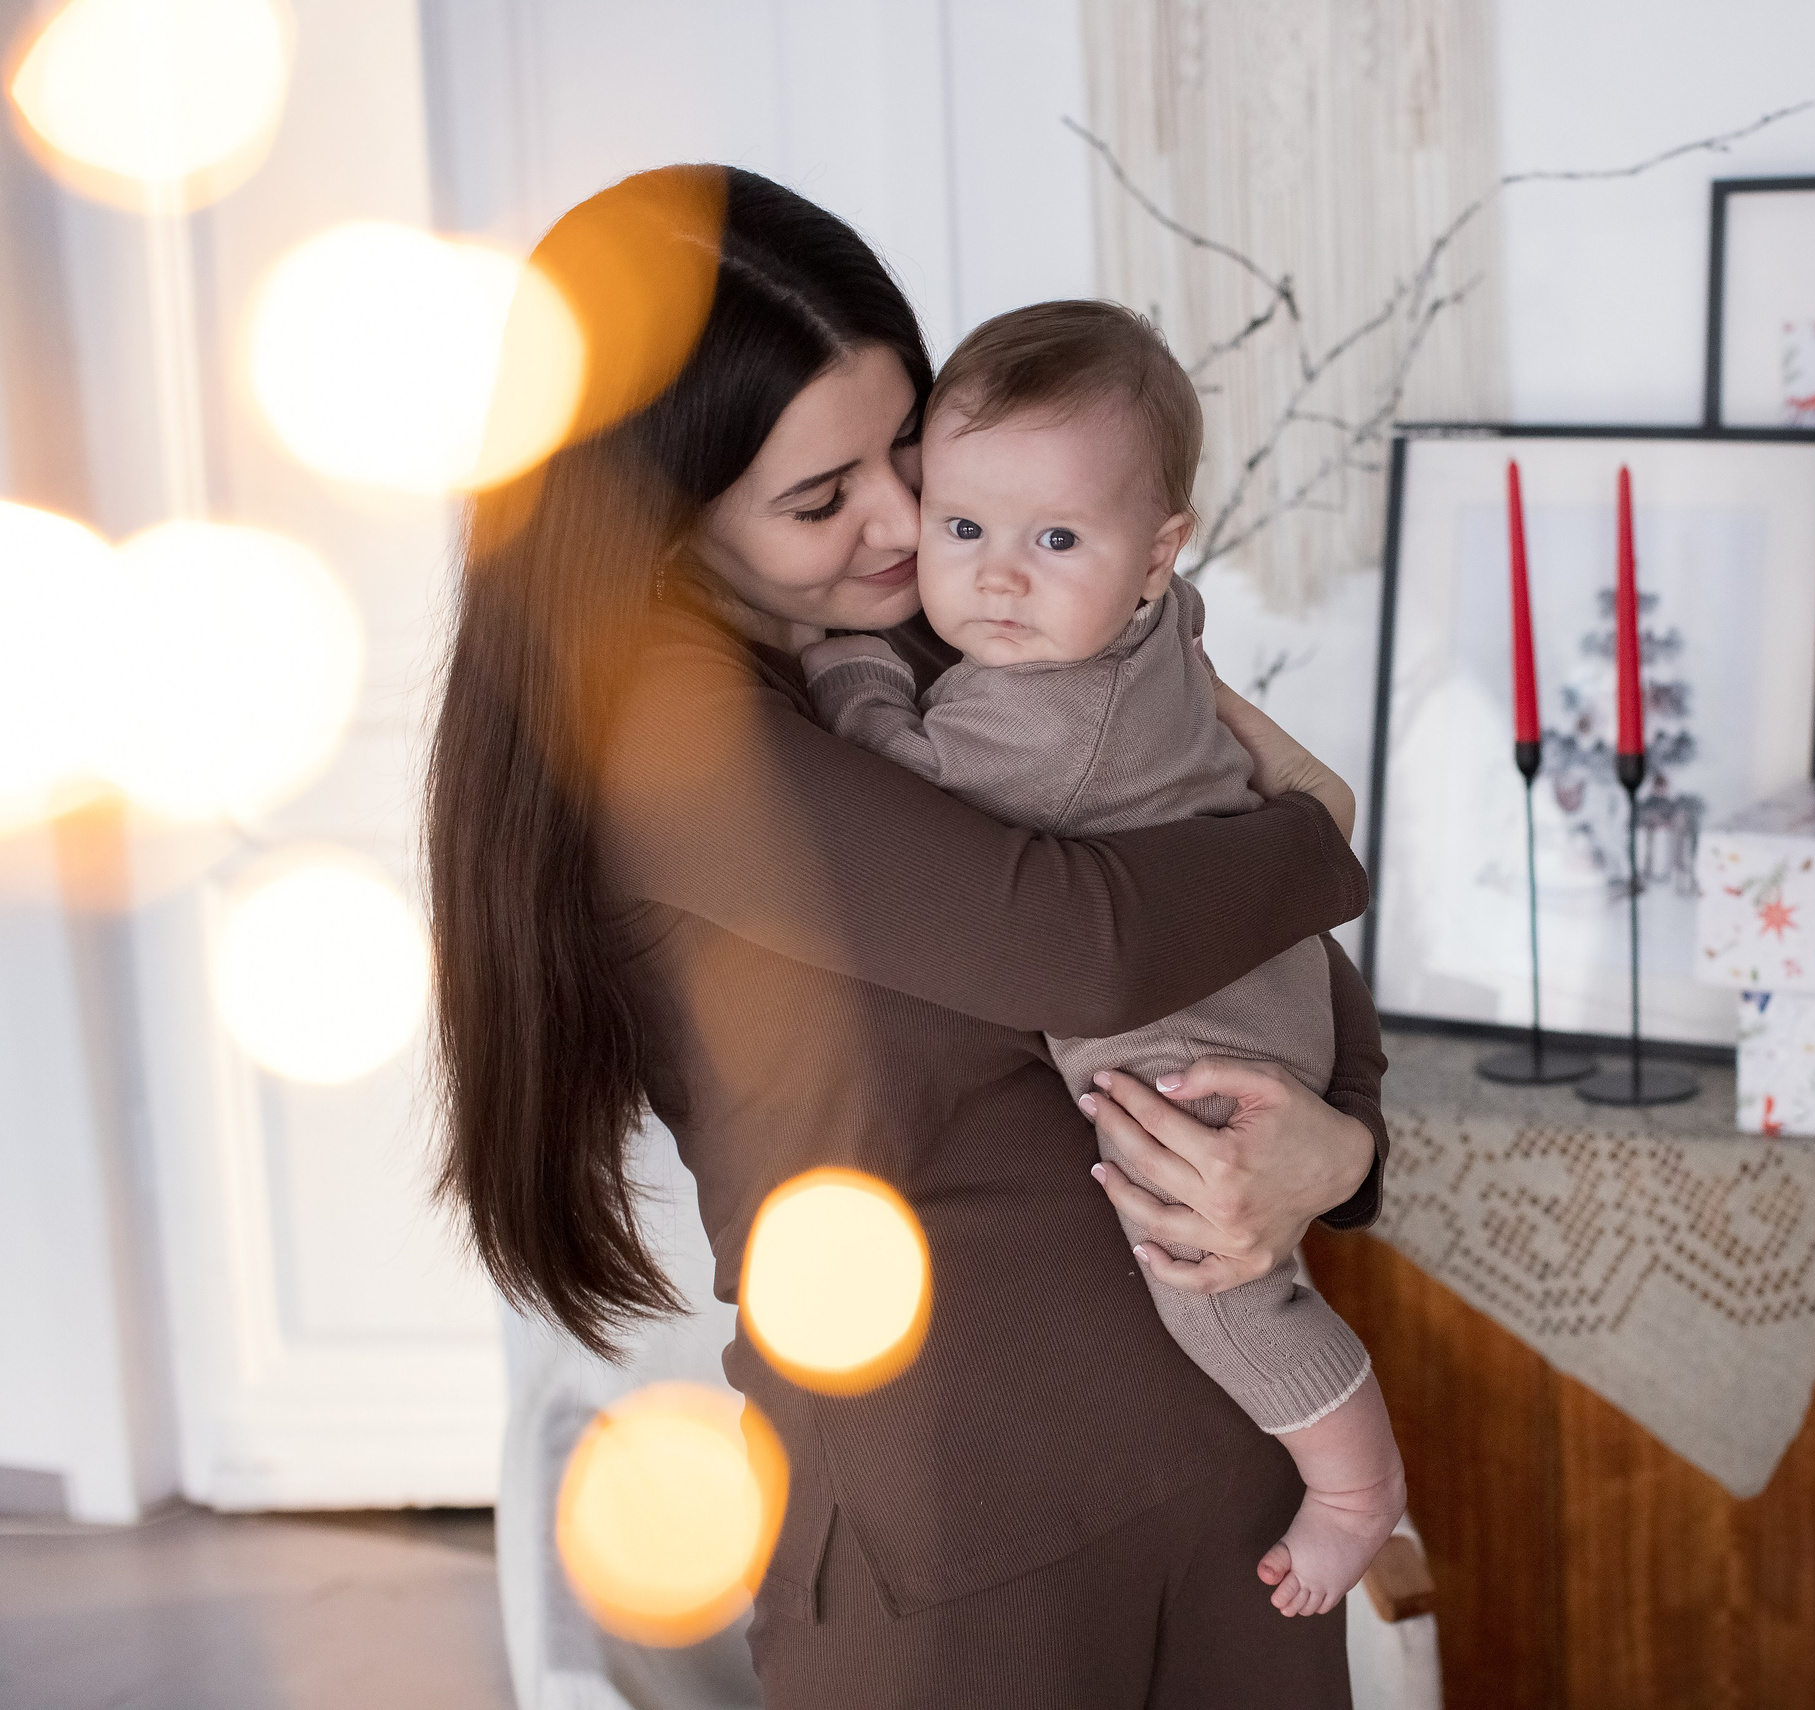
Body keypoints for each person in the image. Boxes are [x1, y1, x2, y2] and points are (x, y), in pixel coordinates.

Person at [425, 164, 1389, 1709]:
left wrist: (1341, 1152)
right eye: (822, 497)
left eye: (909, 450)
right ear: (655, 520)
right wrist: (1315, 830)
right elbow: (1085, 941)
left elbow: (1266, 975)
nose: (900, 523)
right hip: (954, 1531)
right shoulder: (661, 740)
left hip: (1224, 1468)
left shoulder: (984, 629)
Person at [799, 300, 1405, 1620]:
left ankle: (1356, 1489)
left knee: (1213, 1279)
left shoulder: (1042, 718)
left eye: (1054, 538)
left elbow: (908, 780)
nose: (997, 577)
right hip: (1267, 977)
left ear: (1154, 553)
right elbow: (1313, 812)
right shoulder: (1154, 629)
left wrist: (846, 664)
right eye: (964, 527)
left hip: (1198, 1051)